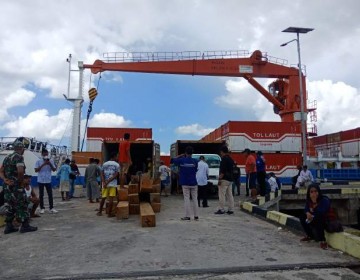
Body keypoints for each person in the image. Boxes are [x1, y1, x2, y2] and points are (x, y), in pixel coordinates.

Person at [0, 141, 37, 234]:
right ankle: (25, 226)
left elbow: (1, 171)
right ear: (22, 149)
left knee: (10, 205)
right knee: (22, 203)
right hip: (16, 186)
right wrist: (20, 182)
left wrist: (4, 179)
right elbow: (20, 171)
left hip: (7, 186)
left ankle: (9, 227)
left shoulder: (7, 158)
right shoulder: (19, 157)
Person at [299, 183, 335, 250]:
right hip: (314, 218)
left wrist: (315, 202)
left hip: (326, 221)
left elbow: (321, 212)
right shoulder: (309, 201)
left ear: (318, 192)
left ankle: (323, 241)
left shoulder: (324, 200)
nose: (313, 193)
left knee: (319, 218)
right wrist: (307, 213)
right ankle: (310, 236)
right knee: (302, 216)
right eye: (311, 192)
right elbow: (306, 209)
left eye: (315, 191)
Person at [171, 146, 199, 221]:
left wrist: (180, 155)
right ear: (192, 153)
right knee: (195, 199)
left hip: (185, 182)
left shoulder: (181, 160)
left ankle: (187, 216)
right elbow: (196, 170)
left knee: (187, 199)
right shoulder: (195, 161)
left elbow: (172, 160)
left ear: (185, 153)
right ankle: (196, 216)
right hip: (193, 182)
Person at [35, 149, 58, 214]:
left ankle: (51, 208)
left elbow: (54, 170)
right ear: (42, 154)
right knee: (41, 195)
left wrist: (49, 163)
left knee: (50, 194)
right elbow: (36, 170)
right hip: (41, 180)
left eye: (47, 154)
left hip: (48, 180)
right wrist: (44, 164)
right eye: (44, 154)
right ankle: (42, 208)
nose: (46, 155)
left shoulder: (51, 161)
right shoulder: (38, 161)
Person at [97, 153, 120, 217]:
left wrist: (104, 182)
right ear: (114, 156)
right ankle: (109, 214)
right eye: (117, 156)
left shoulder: (105, 164)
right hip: (112, 184)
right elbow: (116, 175)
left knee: (103, 198)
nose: (118, 158)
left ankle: (100, 212)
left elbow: (101, 173)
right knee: (111, 199)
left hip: (105, 184)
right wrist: (108, 181)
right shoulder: (117, 165)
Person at [215, 146, 235, 215]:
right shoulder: (230, 159)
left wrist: (219, 179)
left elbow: (222, 171)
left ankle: (221, 209)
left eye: (220, 152)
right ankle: (231, 209)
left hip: (224, 179)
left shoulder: (224, 159)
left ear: (222, 152)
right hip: (230, 180)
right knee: (230, 195)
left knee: (221, 195)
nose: (220, 153)